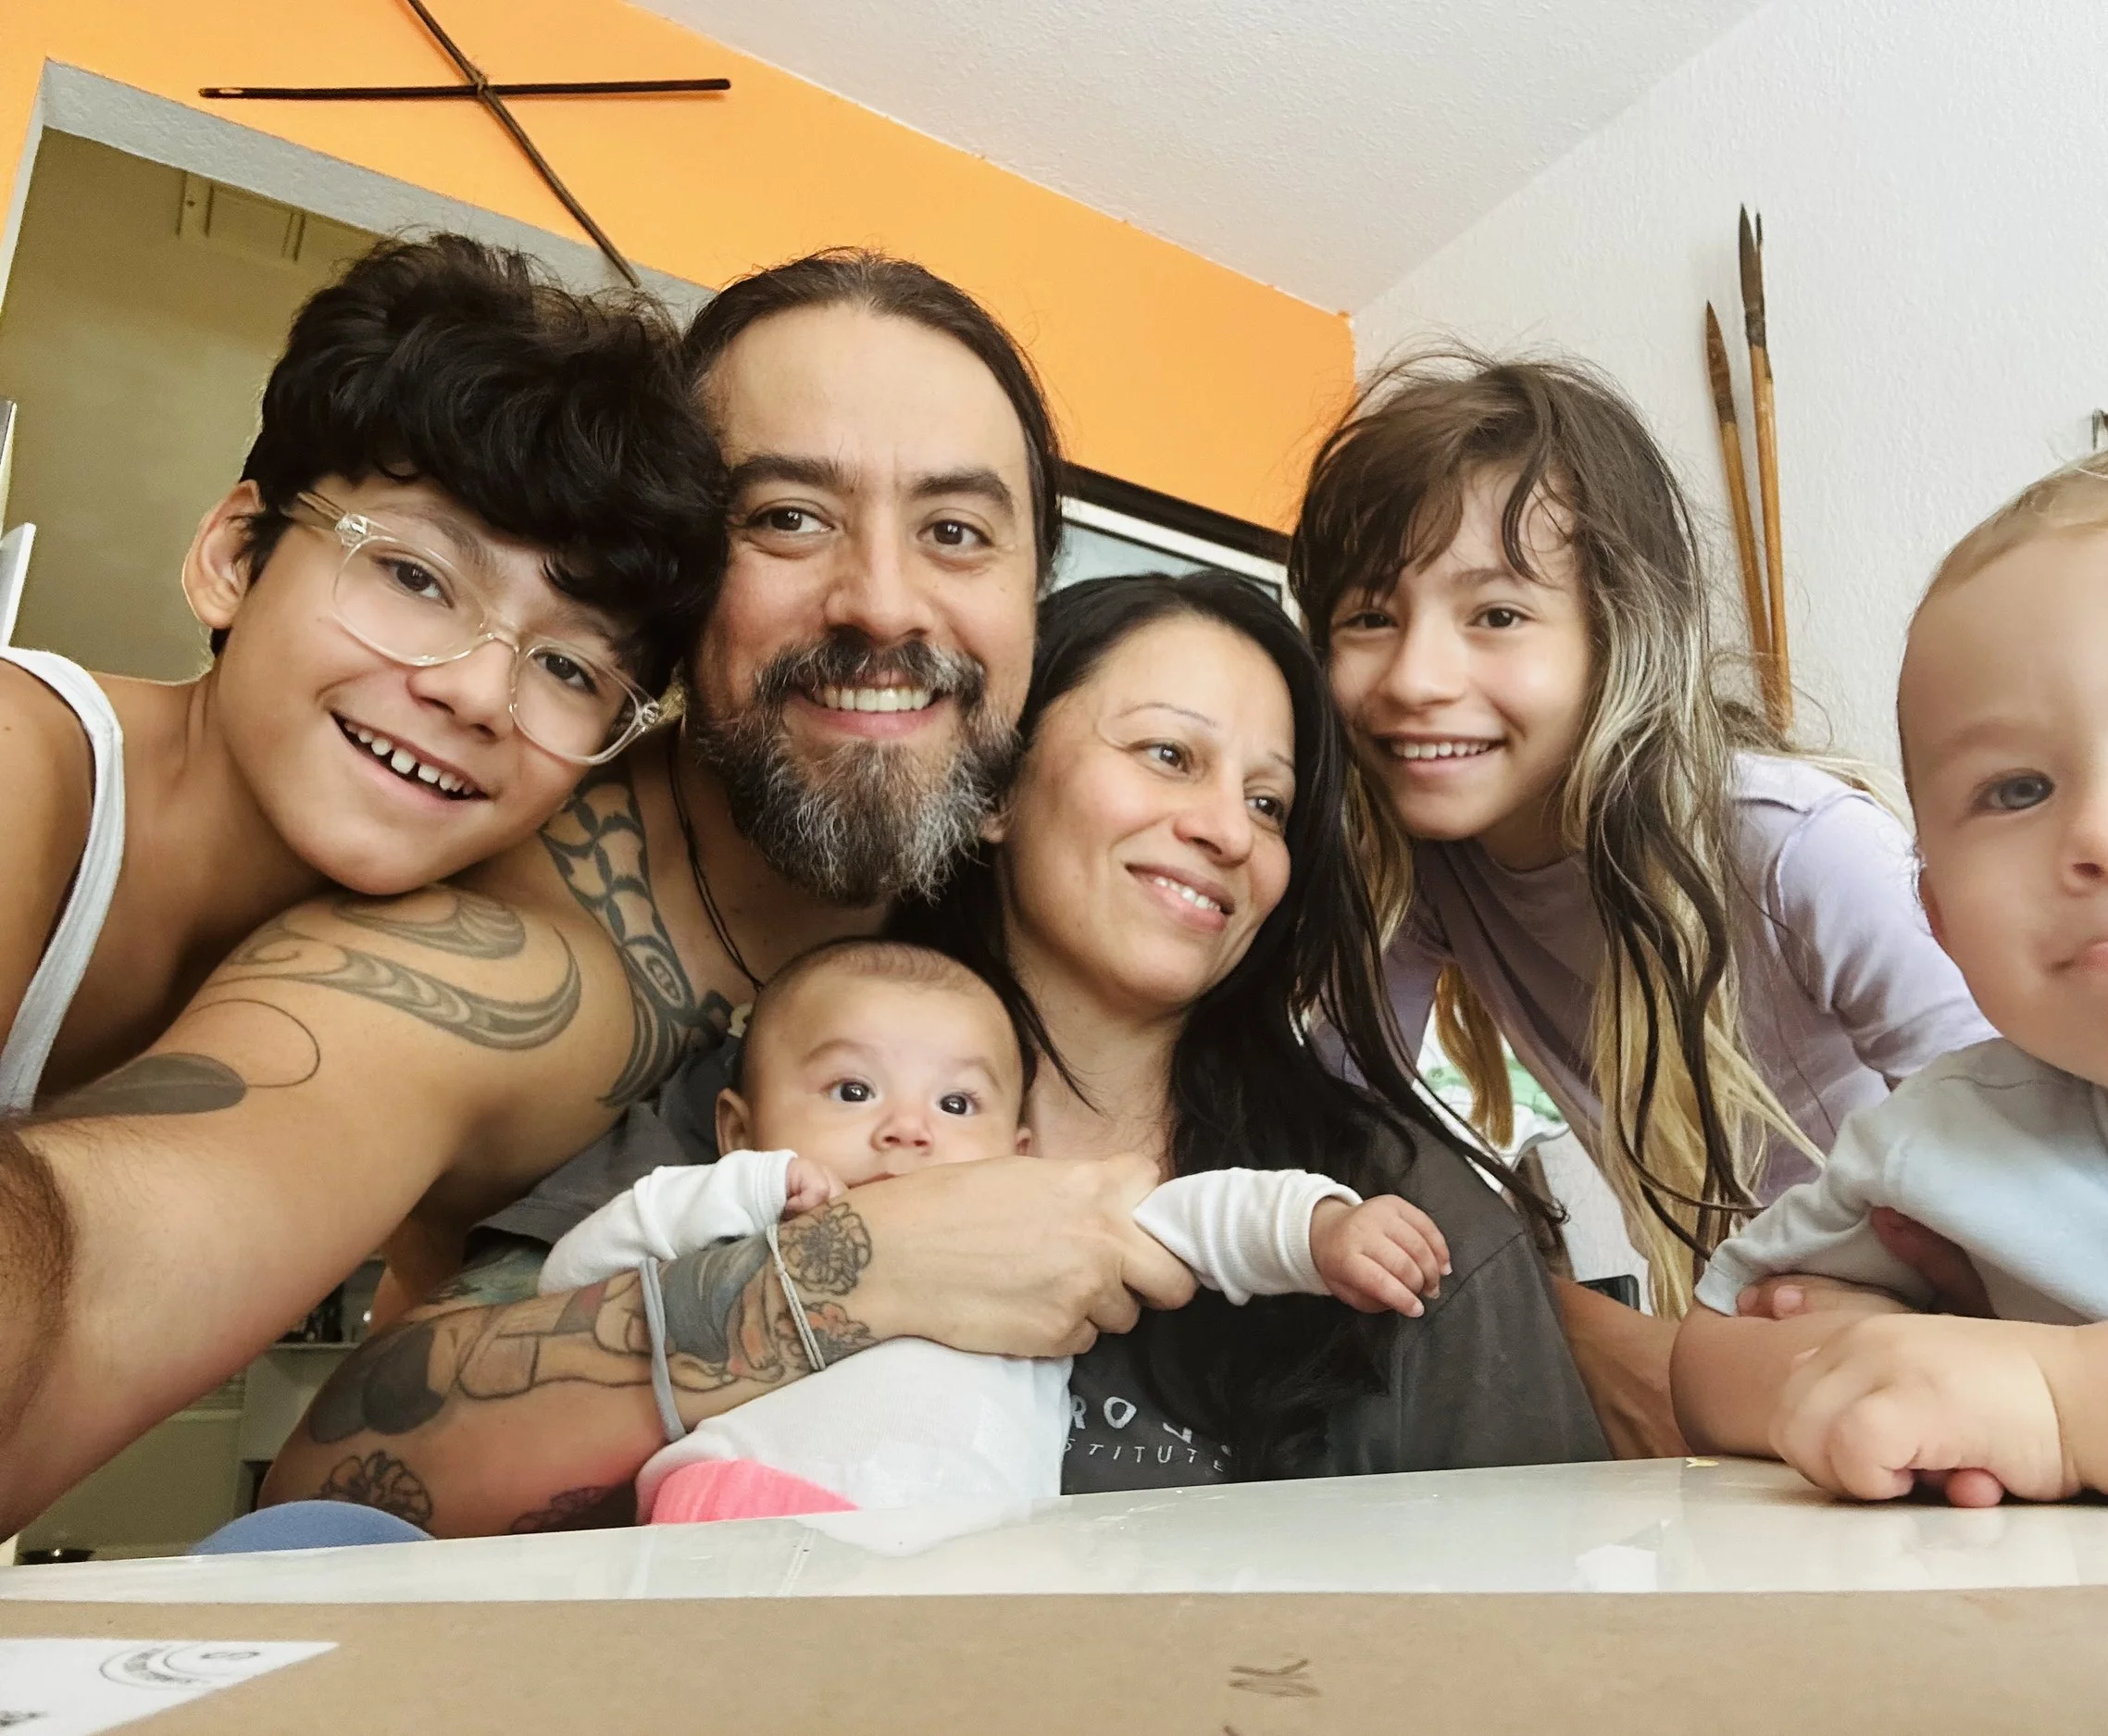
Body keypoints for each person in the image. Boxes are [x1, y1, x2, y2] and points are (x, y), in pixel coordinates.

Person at [0, 249, 1203, 1535]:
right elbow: (99, 1295)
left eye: (955, 532)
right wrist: (842, 1275)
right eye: (788, 517)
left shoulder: (1036, 873)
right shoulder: (492, 960)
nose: (883, 602)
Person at [261, 573, 1609, 1535]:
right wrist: (856, 1271)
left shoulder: (1399, 1210)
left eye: (1268, 802)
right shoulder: (777, 1097)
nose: (1226, 830)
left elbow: (1560, 1632)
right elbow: (334, 1480)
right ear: (996, 794)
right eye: (1165, 755)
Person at [1288, 351, 1993, 1444]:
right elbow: (1339, 1132)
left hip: (1949, 1341)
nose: (1415, 678)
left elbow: (2029, 1135)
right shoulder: (1428, 874)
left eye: (1497, 615)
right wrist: (1570, 1323)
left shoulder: (1795, 848)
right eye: (1370, 616)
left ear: (1618, 631)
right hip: (1739, 1345)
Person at [1671, 405, 2108, 1513]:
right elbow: (1706, 1358)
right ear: (1934, 912)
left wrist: (2056, 1401)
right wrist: (1867, 1367)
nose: (2107, 831)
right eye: (2016, 789)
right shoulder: (1951, 1138)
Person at [0, 233, 725, 1110]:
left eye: (569, 669)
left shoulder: (452, 979)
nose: (478, 695)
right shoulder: (18, 760)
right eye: (415, 577)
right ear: (235, 557)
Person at [539, 935, 1451, 1522]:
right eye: (852, 1090)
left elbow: (1201, 1216)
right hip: (746, 1510)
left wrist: (1320, 1228)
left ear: (1018, 1149)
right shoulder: (756, 1209)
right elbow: (568, 1286)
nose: (907, 1129)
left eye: (956, 1102)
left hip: (982, 1550)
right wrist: (734, 1194)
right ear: (740, 1128)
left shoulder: (1038, 1217)